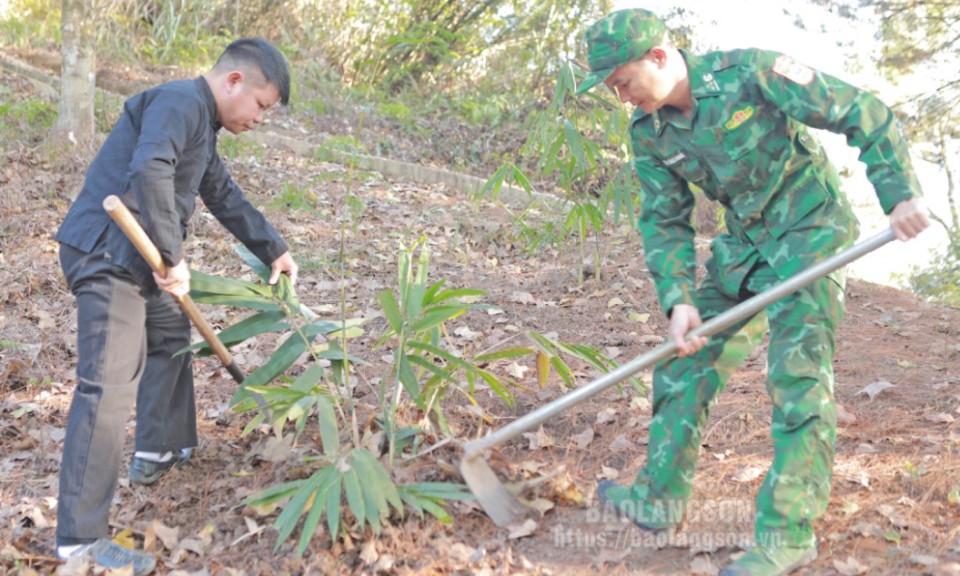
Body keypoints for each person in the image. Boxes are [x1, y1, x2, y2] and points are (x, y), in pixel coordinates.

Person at [575, 8, 930, 576]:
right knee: (681, 363)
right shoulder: (649, 132)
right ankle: (659, 501)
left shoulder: (750, 73)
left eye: (623, 82)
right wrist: (680, 300)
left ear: (659, 58)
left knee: (797, 380)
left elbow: (863, 111)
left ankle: (787, 535)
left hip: (810, 237)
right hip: (742, 249)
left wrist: (900, 194)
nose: (621, 98)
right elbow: (665, 220)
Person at [54, 37, 298, 574]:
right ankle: (79, 542)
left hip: (138, 259)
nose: (260, 119)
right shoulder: (178, 102)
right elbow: (150, 170)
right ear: (234, 82)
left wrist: (272, 246)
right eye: (261, 105)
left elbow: (222, 193)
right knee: (107, 387)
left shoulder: (201, 126)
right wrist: (172, 255)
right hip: (107, 253)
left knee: (169, 342)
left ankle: (159, 449)